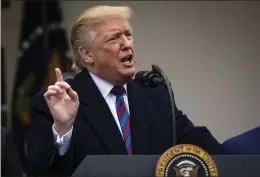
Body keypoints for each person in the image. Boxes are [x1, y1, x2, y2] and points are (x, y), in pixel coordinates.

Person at [25, 5, 224, 177]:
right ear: (87, 55)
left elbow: (206, 148)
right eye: (114, 38)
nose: (127, 44)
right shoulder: (55, 103)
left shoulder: (156, 97)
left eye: (128, 35)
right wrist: (63, 130)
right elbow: (42, 171)